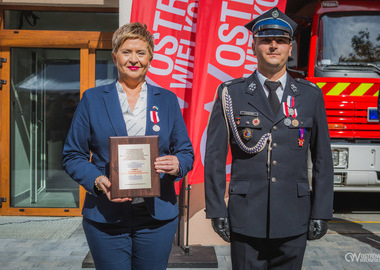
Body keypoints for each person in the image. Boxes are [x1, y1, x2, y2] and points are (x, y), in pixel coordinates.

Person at [204, 7, 334, 270]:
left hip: (293, 216)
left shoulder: (310, 95)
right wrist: (216, 209)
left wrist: (321, 211)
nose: (273, 46)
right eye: (265, 40)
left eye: (281, 41)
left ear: (290, 48)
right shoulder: (232, 93)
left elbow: (322, 159)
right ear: (254, 46)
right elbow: (215, 158)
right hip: (245, 216)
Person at [62, 22, 194, 270]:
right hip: (105, 216)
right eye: (126, 52)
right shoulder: (92, 99)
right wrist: (98, 181)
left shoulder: (166, 100)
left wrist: (177, 164)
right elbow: (73, 156)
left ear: (150, 58)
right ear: (115, 57)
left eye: (141, 52)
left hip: (157, 217)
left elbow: (186, 153)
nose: (134, 59)